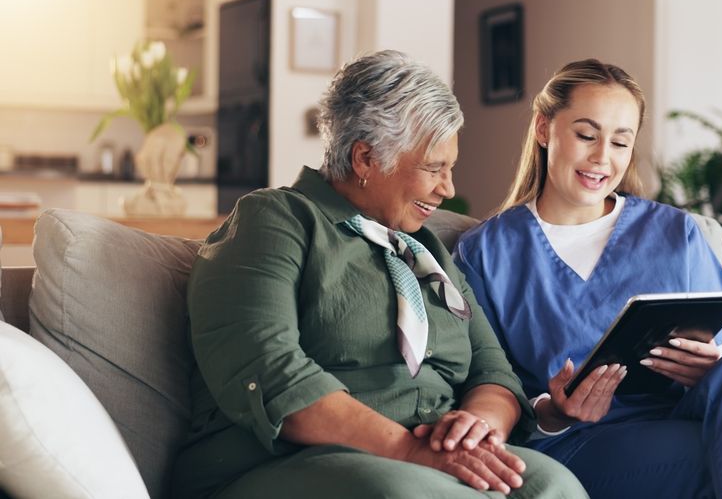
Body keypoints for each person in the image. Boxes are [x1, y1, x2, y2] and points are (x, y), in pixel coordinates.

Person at [171, 50, 587, 499]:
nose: (447, 189)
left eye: (450, 169)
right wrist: (409, 450)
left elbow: (493, 372)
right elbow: (269, 371)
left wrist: (476, 427)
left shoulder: (426, 252)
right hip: (287, 460)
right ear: (365, 159)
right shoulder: (276, 221)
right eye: (433, 168)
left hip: (427, 456)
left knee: (553, 485)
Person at [454, 59, 722, 498]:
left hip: (685, 411)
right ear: (543, 128)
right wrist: (556, 410)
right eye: (586, 135)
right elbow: (488, 382)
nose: (602, 157)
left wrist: (709, 366)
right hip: (583, 443)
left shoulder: (677, 232)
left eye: (620, 142)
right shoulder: (485, 252)